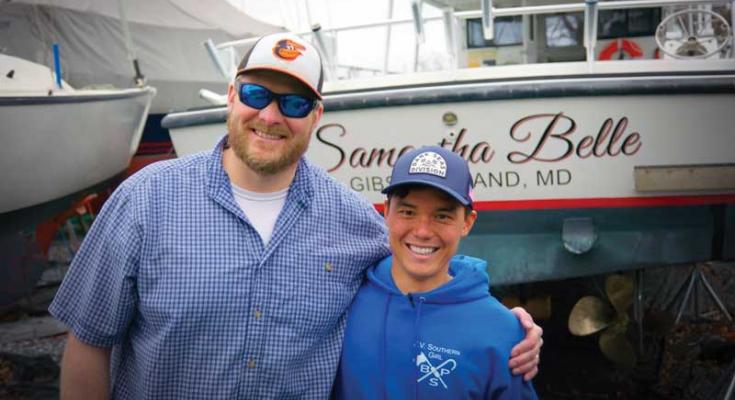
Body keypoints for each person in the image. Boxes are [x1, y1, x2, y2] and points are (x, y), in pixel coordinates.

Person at [49, 32, 541, 399]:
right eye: (257, 94)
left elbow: (422, 259)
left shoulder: (356, 223)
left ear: (317, 115)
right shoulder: (145, 198)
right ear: (231, 95)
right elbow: (89, 342)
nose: (270, 115)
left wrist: (503, 325)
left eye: (294, 102)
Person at [335, 146, 538, 399]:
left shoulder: (503, 332)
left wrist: (511, 331)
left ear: (467, 222)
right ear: (386, 212)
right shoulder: (344, 298)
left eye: (441, 216)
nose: (422, 231)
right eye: (408, 212)